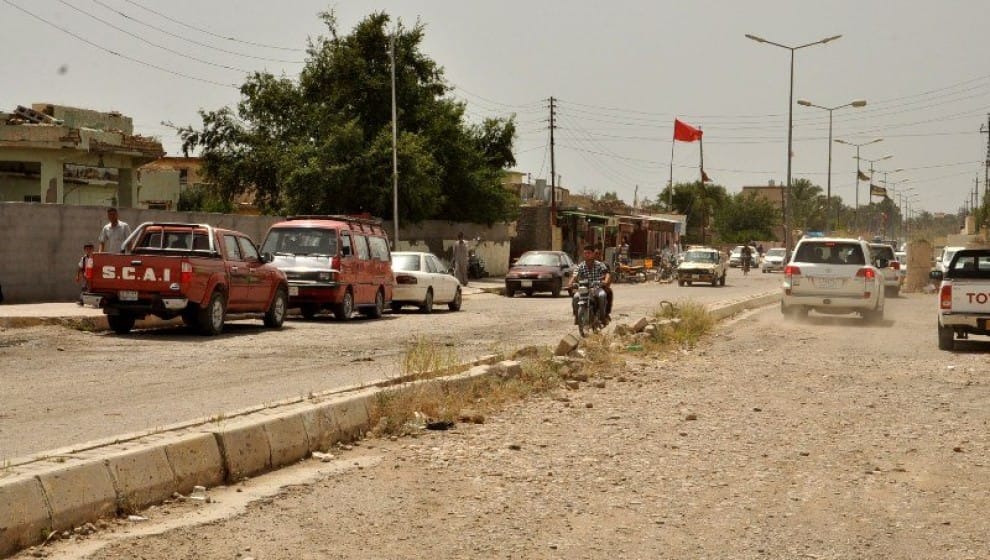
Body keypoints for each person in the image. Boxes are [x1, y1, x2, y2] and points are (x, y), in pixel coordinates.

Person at [569, 244, 611, 325]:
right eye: (585, 253)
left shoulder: (599, 264)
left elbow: (607, 274)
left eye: (588, 253)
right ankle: (577, 317)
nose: (586, 255)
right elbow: (574, 275)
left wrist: (605, 281)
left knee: (602, 296)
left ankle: (602, 317)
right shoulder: (581, 266)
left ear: (592, 254)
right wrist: (570, 283)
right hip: (584, 289)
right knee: (575, 297)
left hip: (596, 288)